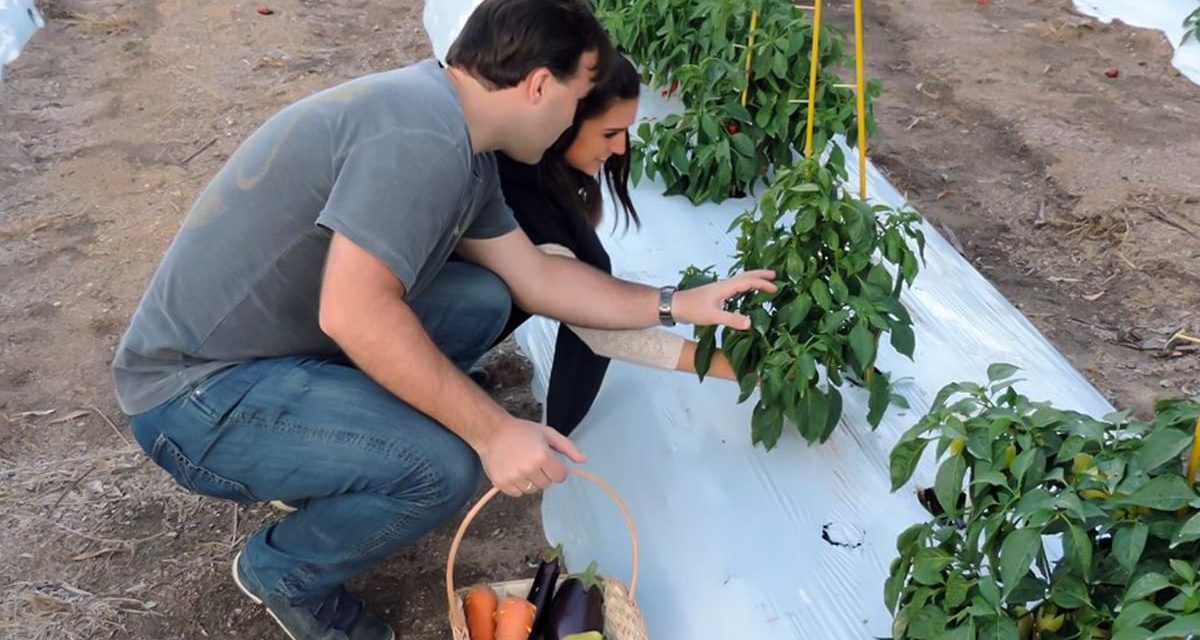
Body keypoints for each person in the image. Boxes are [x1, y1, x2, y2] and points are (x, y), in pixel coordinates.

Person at [111, 0, 775, 638]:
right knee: (443, 468)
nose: (576, 120)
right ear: (541, 85)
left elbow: (536, 279)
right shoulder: (422, 139)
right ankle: (283, 570)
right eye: (578, 101)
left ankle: (329, 453)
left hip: (267, 348)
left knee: (482, 299)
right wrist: (492, 433)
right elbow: (354, 312)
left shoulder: (458, 135)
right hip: (192, 397)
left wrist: (675, 302)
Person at [491, 53, 740, 435]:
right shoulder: (517, 192)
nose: (623, 148)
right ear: (563, 120)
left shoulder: (540, 171)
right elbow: (595, 322)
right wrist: (738, 367)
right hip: (402, 322)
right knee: (484, 299)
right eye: (609, 133)